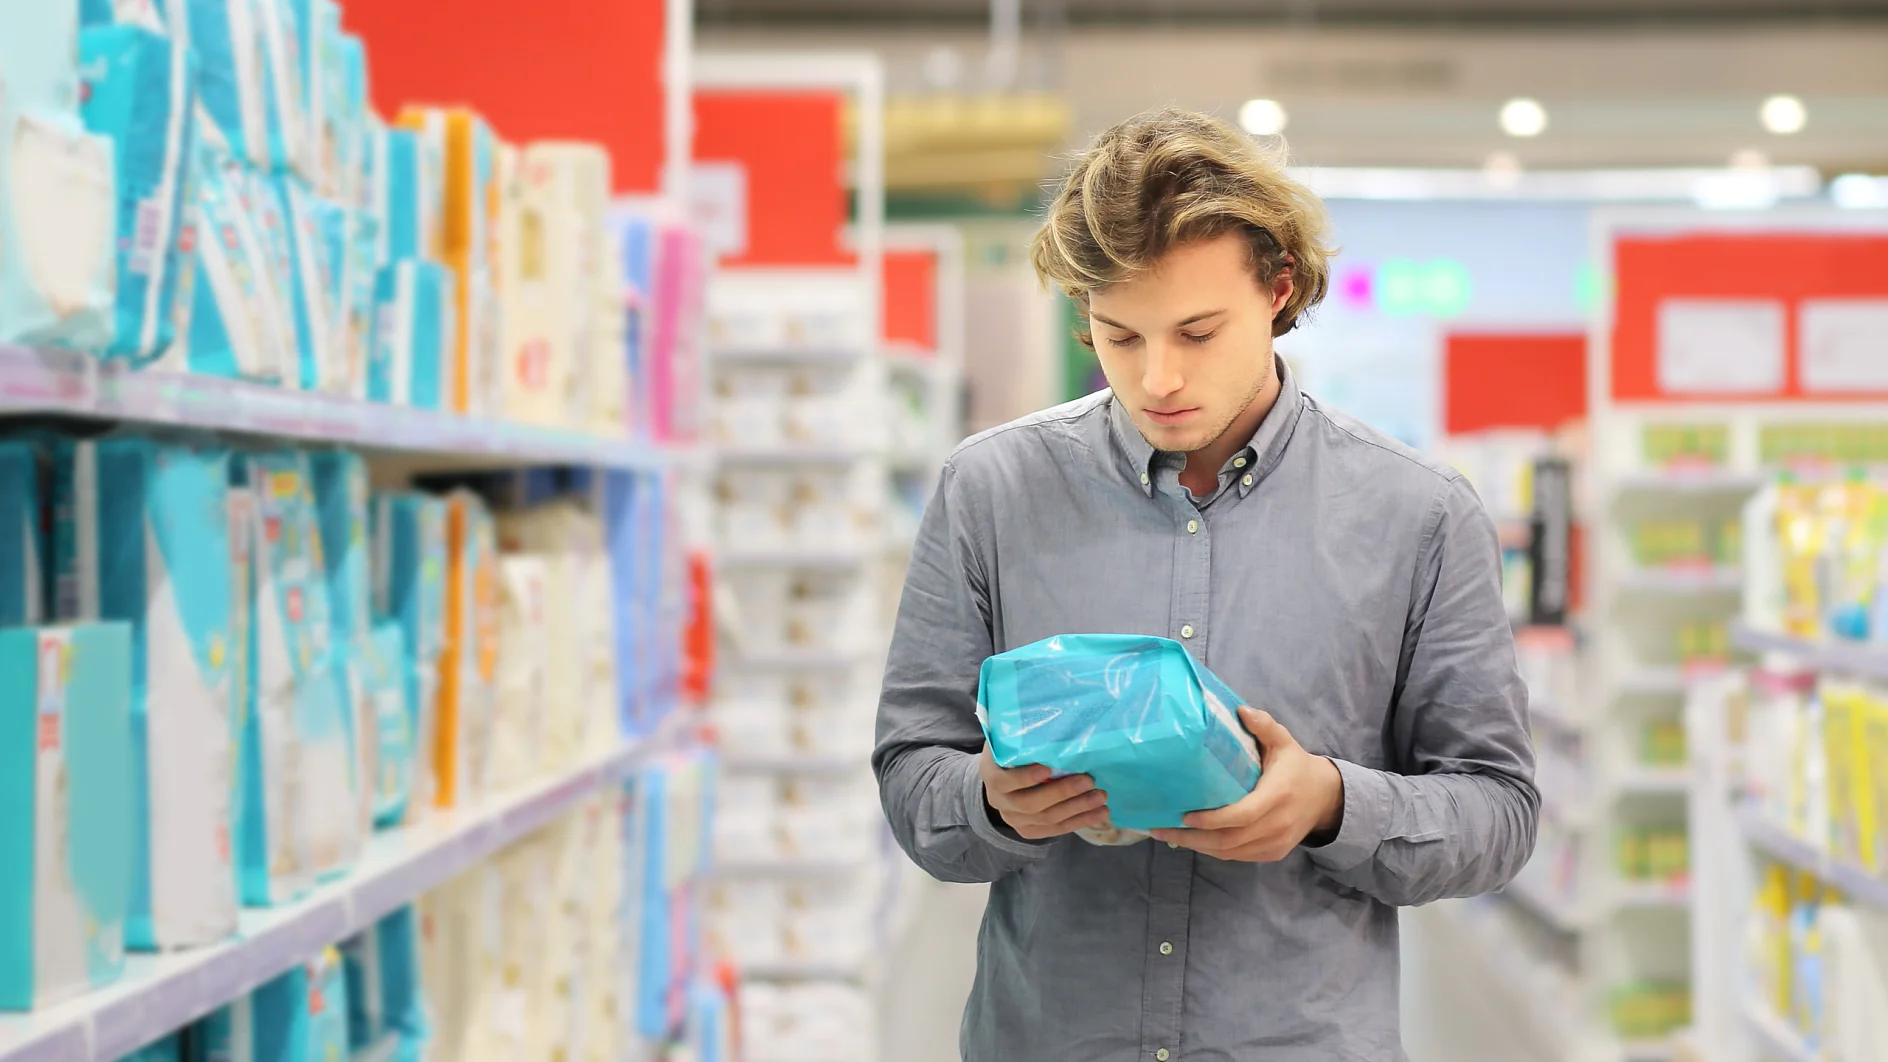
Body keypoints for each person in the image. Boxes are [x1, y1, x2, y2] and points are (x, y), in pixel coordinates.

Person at [872, 107, 1539, 1061]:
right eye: (1120, 336)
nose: (1159, 379)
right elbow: (910, 775)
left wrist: (1331, 804)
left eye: (1197, 331)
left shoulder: (1418, 515)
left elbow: (1498, 810)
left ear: (1280, 289)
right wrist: (989, 800)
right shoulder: (991, 492)